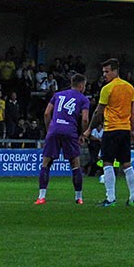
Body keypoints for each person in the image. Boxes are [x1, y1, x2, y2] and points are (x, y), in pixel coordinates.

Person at [36, 73, 91, 204]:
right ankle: (79, 198)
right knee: (75, 164)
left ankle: (41, 197)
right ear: (82, 85)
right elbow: (84, 118)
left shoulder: (57, 95)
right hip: (69, 131)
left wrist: (49, 128)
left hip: (54, 130)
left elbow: (46, 113)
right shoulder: (83, 99)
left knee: (46, 163)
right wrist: (83, 134)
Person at [95, 59, 134, 207]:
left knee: (107, 163)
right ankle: (133, 198)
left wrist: (89, 129)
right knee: (126, 164)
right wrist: (132, 130)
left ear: (115, 71)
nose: (105, 75)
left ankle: (111, 198)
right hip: (125, 130)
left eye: (107, 71)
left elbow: (99, 111)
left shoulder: (107, 89)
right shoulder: (129, 87)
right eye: (103, 72)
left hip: (111, 130)